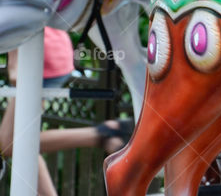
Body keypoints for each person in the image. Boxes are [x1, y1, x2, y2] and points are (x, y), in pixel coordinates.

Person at [0, 28, 130, 196]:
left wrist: (14, 62)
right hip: (49, 51)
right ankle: (103, 133)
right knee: (21, 142)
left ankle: (103, 134)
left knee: (12, 142)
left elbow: (16, 11)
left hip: (39, 55)